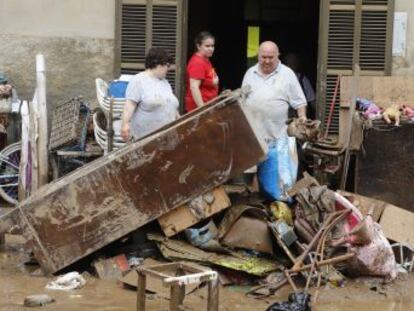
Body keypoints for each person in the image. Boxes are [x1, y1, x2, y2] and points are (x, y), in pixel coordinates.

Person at [242, 41, 307, 201]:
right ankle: (258, 211)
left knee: (282, 186)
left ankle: (282, 214)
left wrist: (302, 119)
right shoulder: (250, 73)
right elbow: (242, 101)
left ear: (278, 56)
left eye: (271, 57)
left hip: (279, 139)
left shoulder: (287, 74)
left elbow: (300, 102)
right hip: (253, 139)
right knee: (250, 184)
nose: (267, 61)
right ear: (258, 56)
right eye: (263, 57)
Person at [121, 47, 179, 141]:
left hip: (167, 138)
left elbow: (171, 106)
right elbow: (129, 106)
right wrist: (125, 124)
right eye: (167, 66)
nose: (168, 69)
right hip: (146, 139)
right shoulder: (138, 80)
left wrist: (181, 123)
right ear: (158, 64)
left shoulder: (165, 83)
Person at [185, 31, 219, 112]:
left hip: (208, 105)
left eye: (212, 46)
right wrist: (203, 110)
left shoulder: (205, 59)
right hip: (199, 110)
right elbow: (194, 87)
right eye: (207, 46)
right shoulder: (197, 63)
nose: (211, 49)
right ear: (198, 46)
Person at [284, 53, 316, 119]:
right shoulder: (278, 79)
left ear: (297, 65)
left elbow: (312, 100)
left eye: (293, 63)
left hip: (298, 120)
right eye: (288, 64)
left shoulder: (303, 79)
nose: (290, 66)